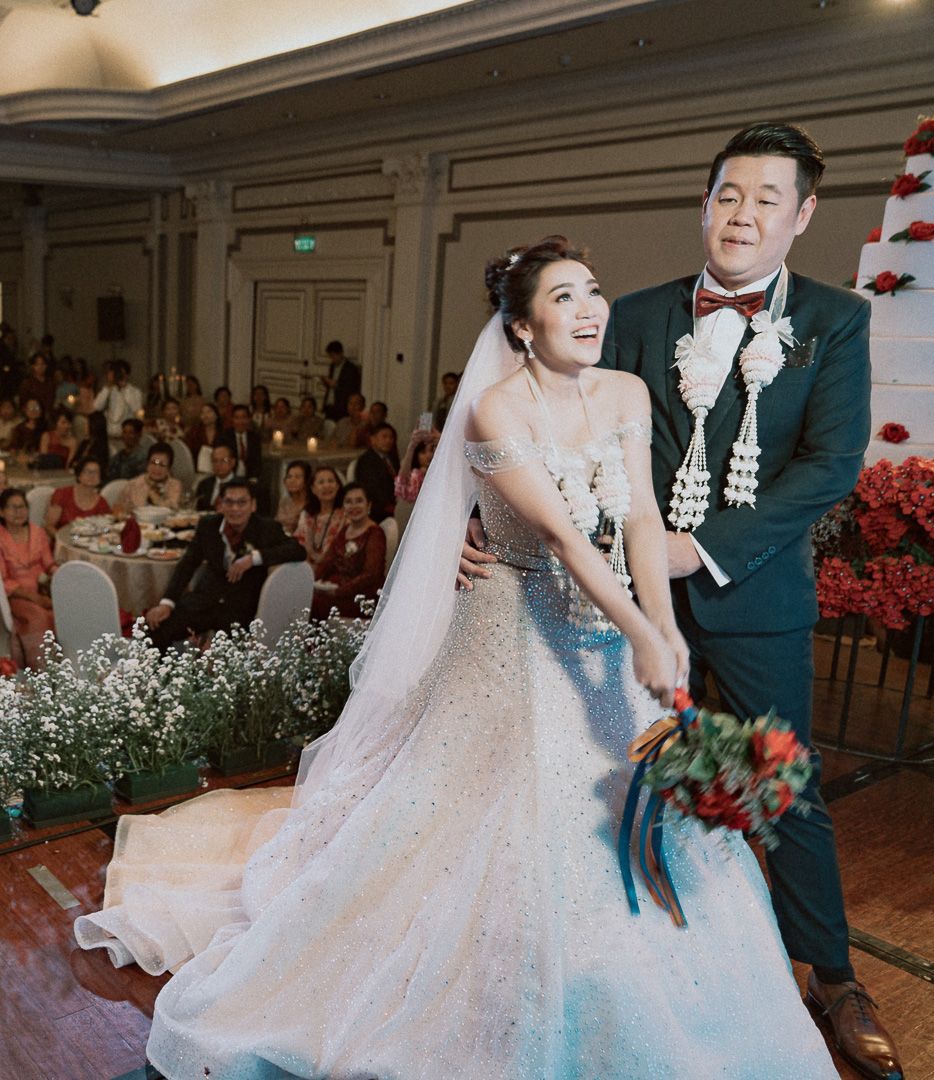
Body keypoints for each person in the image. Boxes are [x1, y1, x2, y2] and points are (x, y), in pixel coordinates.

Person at [76, 241, 839, 1078]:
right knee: (495, 815)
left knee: (642, 799)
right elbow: (561, 538)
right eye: (562, 297)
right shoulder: (493, 412)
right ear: (521, 328)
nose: (589, 309)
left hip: (605, 621)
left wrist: (664, 628)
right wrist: (643, 633)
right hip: (513, 625)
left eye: (592, 290)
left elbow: (639, 522)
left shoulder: (625, 391)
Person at [584, 123, 893, 1077]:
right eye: (727, 195)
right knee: (608, 772)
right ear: (704, 203)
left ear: (801, 215)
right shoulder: (634, 315)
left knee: (780, 787)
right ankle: (625, 957)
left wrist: (701, 551)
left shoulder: (835, 320)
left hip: (755, 598)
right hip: (631, 599)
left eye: (766, 199)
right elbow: (577, 432)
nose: (742, 215)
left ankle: (832, 977)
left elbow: (829, 465)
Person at [141, 479, 304, 650]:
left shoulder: (267, 528)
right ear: (220, 505)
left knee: (224, 655)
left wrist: (253, 558)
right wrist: (167, 603)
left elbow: (298, 550)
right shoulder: (208, 525)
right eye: (229, 502)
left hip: (240, 609)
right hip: (205, 600)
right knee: (155, 628)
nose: (235, 508)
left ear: (253, 505)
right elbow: (187, 564)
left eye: (242, 502)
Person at [0, 488, 56, 668]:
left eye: (22, 507)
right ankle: (40, 670)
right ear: (1, 512)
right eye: (12, 507)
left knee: (66, 608)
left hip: (42, 591)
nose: (19, 512)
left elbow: (49, 563)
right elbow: (2, 580)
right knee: (39, 617)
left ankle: (64, 664)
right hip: (15, 595)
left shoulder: (37, 532)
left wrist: (58, 574)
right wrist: (34, 598)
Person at [309, 482, 386, 619]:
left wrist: (339, 592)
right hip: (336, 589)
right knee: (304, 597)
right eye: (349, 502)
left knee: (315, 604)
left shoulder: (375, 534)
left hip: (361, 596)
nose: (354, 506)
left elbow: (371, 575)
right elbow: (327, 562)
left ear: (369, 505)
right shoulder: (345, 530)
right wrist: (310, 582)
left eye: (359, 501)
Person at [294, 464, 345, 566]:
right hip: (306, 565)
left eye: (331, 481)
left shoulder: (345, 515)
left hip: (334, 567)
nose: (326, 486)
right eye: (321, 482)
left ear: (337, 486)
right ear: (313, 489)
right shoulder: (307, 515)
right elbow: (298, 544)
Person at [114, 443, 183, 515]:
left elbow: (172, 509)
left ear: (169, 468)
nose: (157, 468)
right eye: (153, 463)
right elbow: (118, 509)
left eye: (162, 465)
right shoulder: (133, 485)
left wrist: (155, 497)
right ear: (147, 464)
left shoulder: (174, 485)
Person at [46, 458, 111, 531]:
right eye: (87, 471)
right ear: (79, 475)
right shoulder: (62, 494)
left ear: (100, 478)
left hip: (90, 538)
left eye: (96, 472)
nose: (92, 476)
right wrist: (61, 537)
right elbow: (49, 526)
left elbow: (106, 527)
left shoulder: (102, 503)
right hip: (60, 537)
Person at [354, 422, 401, 522]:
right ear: (372, 439)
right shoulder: (366, 461)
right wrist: (391, 504)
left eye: (391, 437)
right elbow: (371, 489)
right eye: (384, 437)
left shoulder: (392, 458)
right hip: (378, 508)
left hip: (396, 502)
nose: (388, 441)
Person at [94, 360, 145, 438]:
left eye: (121, 373)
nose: (119, 376)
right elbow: (97, 407)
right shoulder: (108, 390)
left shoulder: (135, 392)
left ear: (127, 374)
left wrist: (125, 388)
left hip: (127, 437)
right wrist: (108, 386)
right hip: (109, 435)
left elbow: (136, 409)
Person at [214, 405, 263, 482]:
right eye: (237, 418)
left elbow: (257, 462)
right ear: (232, 419)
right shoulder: (224, 437)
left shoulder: (254, 438)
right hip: (228, 478)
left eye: (244, 417)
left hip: (250, 478)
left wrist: (253, 478)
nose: (240, 421)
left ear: (249, 419)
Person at [318, 339, 362, 420]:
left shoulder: (351, 368)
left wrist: (336, 385)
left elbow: (351, 388)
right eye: (330, 356)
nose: (332, 359)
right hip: (330, 404)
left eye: (333, 356)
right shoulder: (332, 366)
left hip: (341, 406)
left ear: (341, 353)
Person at [395, 428, 440, 505]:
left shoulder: (440, 472)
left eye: (431, 450)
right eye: (423, 452)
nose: (429, 455)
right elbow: (401, 486)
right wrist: (412, 447)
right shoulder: (414, 474)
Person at [194, 445, 239, 512]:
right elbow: (198, 510)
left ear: (233, 462)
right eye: (215, 461)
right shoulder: (203, 485)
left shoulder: (243, 485)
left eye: (223, 460)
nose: (218, 464)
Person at [273, 460, 310, 534]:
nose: (292, 480)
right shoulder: (284, 501)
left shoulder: (312, 503)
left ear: (306, 481)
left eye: (297, 477)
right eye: (289, 477)